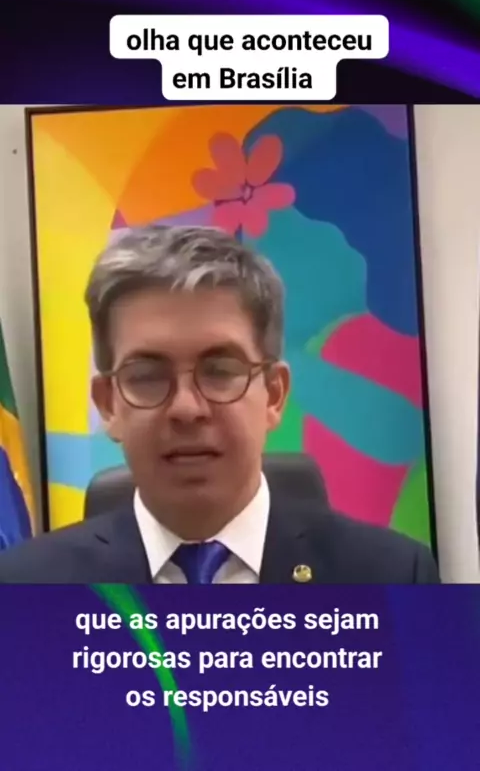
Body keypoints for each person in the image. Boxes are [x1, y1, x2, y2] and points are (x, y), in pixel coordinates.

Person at [0, 225, 440, 584]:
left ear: (274, 394)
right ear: (108, 404)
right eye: (147, 376)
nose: (186, 408)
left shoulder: (394, 578)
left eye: (219, 370)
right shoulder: (24, 589)